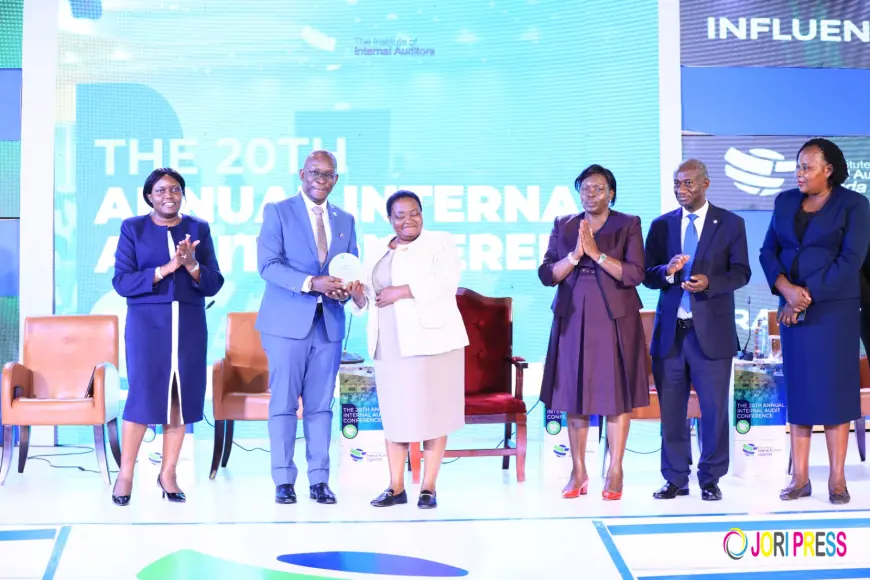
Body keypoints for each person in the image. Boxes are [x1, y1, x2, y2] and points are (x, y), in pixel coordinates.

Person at [759, 138, 870, 504]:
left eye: (807, 167)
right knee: (801, 391)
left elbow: (851, 260)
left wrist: (804, 295)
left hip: (834, 310)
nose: (799, 173)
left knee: (836, 392)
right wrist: (785, 289)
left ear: (829, 170)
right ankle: (800, 478)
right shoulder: (785, 202)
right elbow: (768, 251)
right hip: (792, 311)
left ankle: (837, 480)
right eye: (798, 166)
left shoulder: (854, 205)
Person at [347, 190, 468, 509]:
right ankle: (396, 487)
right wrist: (357, 296)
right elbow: (369, 296)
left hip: (433, 342)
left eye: (414, 213)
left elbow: (447, 282)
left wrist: (402, 291)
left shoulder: (440, 242)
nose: (408, 220)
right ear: (390, 219)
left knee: (434, 414)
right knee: (395, 415)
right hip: (388, 343)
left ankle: (428, 487)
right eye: (400, 215)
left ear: (422, 214)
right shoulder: (377, 247)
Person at [110, 167, 224, 506]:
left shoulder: (198, 228)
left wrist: (191, 266)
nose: (168, 196)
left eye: (174, 189)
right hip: (147, 325)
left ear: (182, 194)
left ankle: (168, 474)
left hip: (189, 324)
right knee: (143, 397)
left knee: (180, 399)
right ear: (149, 196)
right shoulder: (133, 228)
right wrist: (167, 268)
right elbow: (122, 282)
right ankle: (126, 475)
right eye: (160, 190)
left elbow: (214, 282)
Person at [538, 164, 649, 501]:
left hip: (614, 316)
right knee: (574, 394)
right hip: (572, 315)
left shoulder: (628, 223)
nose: (591, 194)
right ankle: (578, 470)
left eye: (599, 188)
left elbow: (635, 273)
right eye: (585, 188)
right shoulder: (564, 224)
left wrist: (597, 255)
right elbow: (547, 274)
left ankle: (615, 470)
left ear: (611, 193)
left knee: (615, 395)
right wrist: (575, 255)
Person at [256, 150, 359, 505]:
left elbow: (349, 268)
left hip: (328, 324)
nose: (321, 179)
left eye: (328, 174)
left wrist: (344, 290)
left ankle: (319, 480)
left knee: (320, 407)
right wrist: (312, 283)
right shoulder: (278, 211)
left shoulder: (345, 219)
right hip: (285, 324)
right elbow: (268, 265)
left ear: (336, 179)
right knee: (284, 404)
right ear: (302, 174)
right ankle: (284, 480)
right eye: (315, 172)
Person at [644, 159, 750, 502]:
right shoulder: (661, 225)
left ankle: (711, 478)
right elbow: (647, 275)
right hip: (671, 334)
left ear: (705, 184)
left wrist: (709, 283)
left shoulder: (731, 223)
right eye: (677, 183)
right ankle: (675, 477)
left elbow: (741, 272)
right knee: (672, 411)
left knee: (714, 410)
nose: (681, 189)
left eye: (688, 183)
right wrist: (668, 271)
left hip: (712, 334)